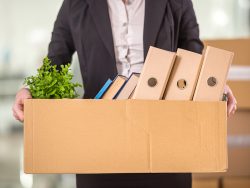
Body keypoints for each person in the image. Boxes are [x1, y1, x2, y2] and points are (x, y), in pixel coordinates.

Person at [13, 0, 237, 187]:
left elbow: (194, 54)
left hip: (165, 134)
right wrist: (31, 90)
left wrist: (217, 87)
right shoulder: (76, 3)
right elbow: (56, 59)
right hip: (99, 141)